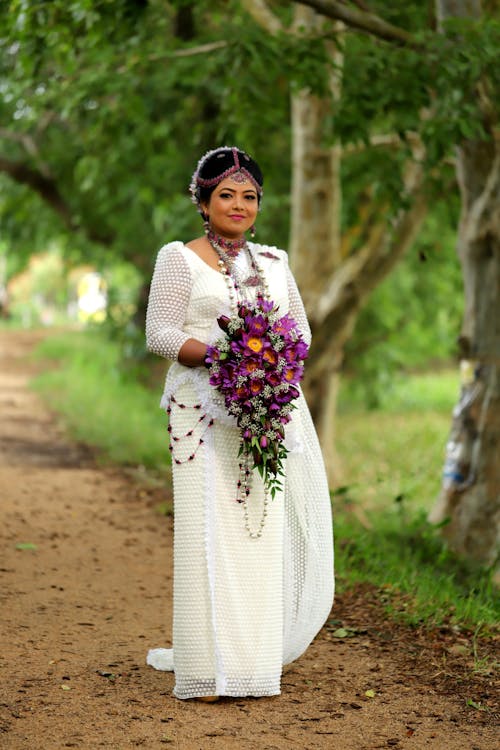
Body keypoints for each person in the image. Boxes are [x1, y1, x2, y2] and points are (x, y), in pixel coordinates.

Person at [145, 146, 334, 701]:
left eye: (248, 196)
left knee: (259, 533)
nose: (239, 205)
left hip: (266, 414)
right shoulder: (178, 259)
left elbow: (298, 336)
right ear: (203, 202)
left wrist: (268, 371)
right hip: (201, 414)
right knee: (208, 532)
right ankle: (205, 669)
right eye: (225, 194)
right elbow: (159, 332)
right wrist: (225, 359)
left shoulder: (274, 263)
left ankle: (253, 668)